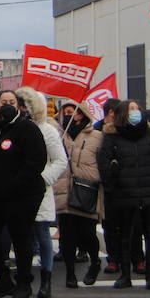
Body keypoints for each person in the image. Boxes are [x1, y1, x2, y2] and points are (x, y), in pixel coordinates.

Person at [0, 89, 48, 298]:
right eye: (3, 101)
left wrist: (15, 184)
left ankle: (24, 284)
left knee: (21, 239)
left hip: (21, 196)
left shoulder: (26, 128)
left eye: (11, 101)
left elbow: (36, 161)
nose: (7, 105)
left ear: (19, 105)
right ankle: (3, 280)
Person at [100, 100, 150, 289]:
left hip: (149, 190)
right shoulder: (113, 136)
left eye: (137, 109)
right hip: (124, 192)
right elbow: (103, 163)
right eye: (131, 109)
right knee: (125, 235)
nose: (136, 112)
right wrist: (114, 181)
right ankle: (125, 275)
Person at [23, 87, 68, 298]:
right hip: (18, 189)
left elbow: (60, 160)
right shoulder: (15, 128)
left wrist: (42, 180)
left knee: (42, 234)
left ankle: (46, 278)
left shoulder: (47, 130)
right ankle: (24, 278)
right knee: (22, 236)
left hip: (39, 189)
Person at [54, 103, 105, 287]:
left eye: (73, 113)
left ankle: (95, 262)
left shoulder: (97, 136)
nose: (69, 116)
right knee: (67, 236)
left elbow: (102, 162)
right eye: (65, 113)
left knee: (87, 233)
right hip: (63, 190)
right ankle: (70, 274)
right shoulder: (58, 135)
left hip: (86, 190)